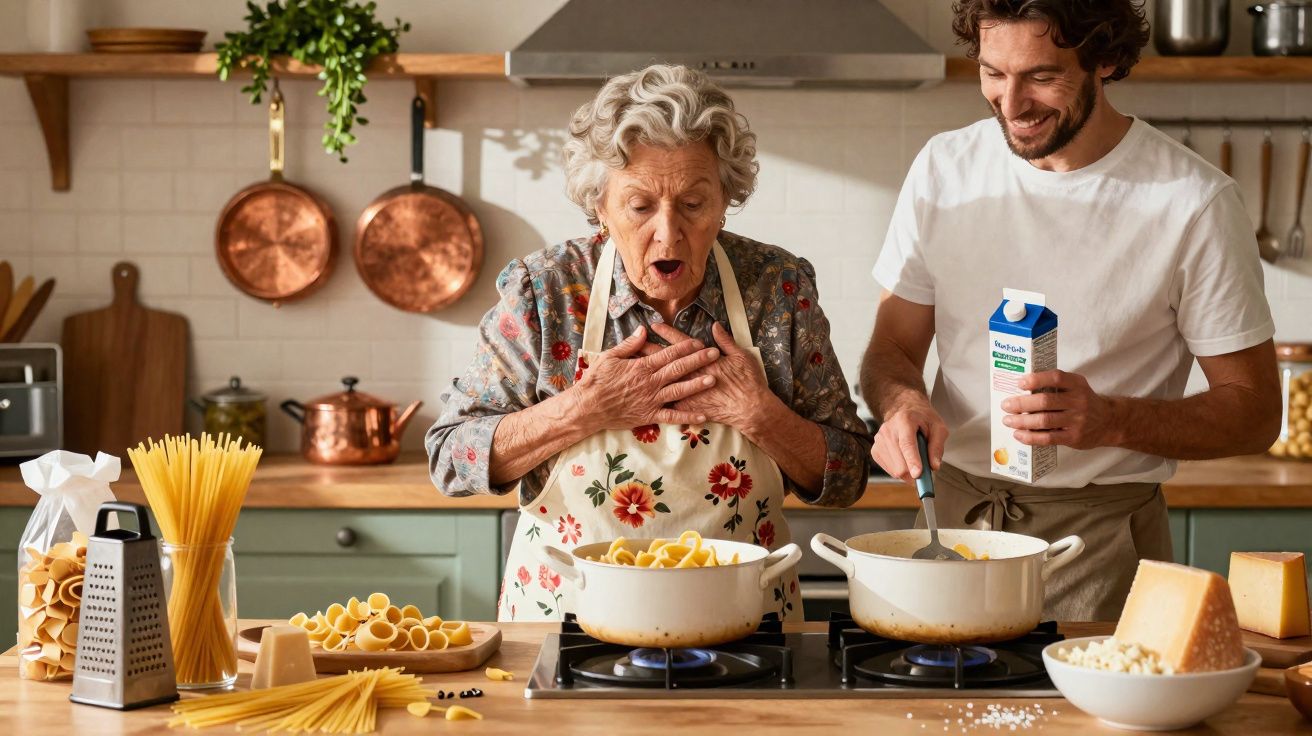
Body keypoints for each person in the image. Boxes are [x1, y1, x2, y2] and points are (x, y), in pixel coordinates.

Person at [862, 0, 1281, 621]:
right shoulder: (944, 169)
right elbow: (892, 350)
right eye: (993, 73)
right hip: (949, 532)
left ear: (1105, 59)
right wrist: (901, 404)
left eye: (1042, 76)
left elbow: (1255, 412)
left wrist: (1111, 419)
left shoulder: (1193, 202)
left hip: (1103, 549)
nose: (1011, 103)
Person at [427, 64, 871, 622]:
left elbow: (849, 475)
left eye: (693, 203)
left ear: (726, 200)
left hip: (741, 626)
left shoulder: (777, 288)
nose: (668, 232)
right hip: (569, 624)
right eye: (640, 207)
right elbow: (450, 457)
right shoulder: (545, 292)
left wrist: (760, 415)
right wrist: (582, 410)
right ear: (601, 208)